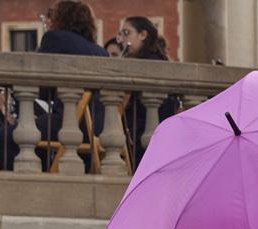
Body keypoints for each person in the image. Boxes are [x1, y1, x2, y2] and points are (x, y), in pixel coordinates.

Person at [33, 2, 109, 173]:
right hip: (99, 129)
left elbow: (41, 89)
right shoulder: (100, 51)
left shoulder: (54, 38)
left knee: (4, 137)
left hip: (69, 124)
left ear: (61, 18)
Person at [116, 17, 178, 172]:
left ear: (142, 35)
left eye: (127, 33)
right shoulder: (151, 59)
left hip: (146, 130)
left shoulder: (149, 62)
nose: (122, 40)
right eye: (121, 34)